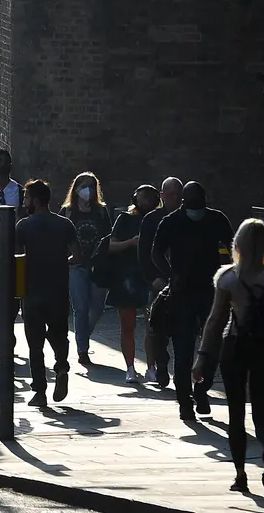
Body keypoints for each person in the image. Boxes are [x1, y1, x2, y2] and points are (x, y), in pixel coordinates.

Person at [194, 219, 264, 492]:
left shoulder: (227, 277)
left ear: (237, 244)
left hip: (236, 345)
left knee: (236, 414)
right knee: (263, 411)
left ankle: (240, 475)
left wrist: (203, 356)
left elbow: (215, 320)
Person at [152, 181, 235, 421]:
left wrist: (229, 274)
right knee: (184, 349)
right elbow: (156, 252)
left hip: (211, 290)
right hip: (182, 293)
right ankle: (185, 401)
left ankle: (201, 389)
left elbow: (232, 247)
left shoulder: (216, 219)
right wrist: (171, 275)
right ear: (184, 203)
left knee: (210, 348)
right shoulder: (171, 222)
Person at [15, 179, 80, 408]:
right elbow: (77, 255)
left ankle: (39, 391)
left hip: (32, 291)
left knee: (35, 343)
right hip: (58, 289)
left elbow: (16, 259)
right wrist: (62, 261)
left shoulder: (23, 226)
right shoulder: (64, 224)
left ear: (35, 199)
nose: (24, 202)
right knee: (59, 334)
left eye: (26, 197)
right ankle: (61, 365)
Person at [60, 171, 113, 366]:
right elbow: (61, 237)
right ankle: (82, 349)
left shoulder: (100, 211)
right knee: (80, 308)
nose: (87, 190)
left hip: (97, 265)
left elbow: (108, 237)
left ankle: (84, 336)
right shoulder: (67, 211)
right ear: (76, 188)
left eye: (91, 186)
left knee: (97, 308)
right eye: (83, 186)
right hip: (76, 266)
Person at [108, 185, 160, 382]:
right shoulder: (125, 219)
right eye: (140, 197)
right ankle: (130, 367)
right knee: (127, 324)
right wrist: (130, 243)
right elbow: (111, 245)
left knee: (152, 326)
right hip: (127, 275)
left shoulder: (158, 219)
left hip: (150, 276)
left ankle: (152, 367)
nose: (142, 201)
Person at [139, 176, 182, 386]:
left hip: (183, 284)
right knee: (157, 329)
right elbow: (145, 253)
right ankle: (161, 365)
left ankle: (181, 372)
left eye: (176, 195)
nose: (172, 199)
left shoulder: (186, 218)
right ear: (162, 196)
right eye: (168, 194)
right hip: (159, 283)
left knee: (183, 329)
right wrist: (153, 278)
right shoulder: (152, 220)